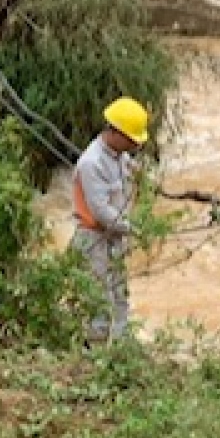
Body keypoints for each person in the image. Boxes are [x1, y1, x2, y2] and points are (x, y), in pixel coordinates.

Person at [71, 96, 150, 344]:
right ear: (115, 133)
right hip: (93, 240)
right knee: (99, 301)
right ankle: (94, 355)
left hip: (113, 239)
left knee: (120, 296)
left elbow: (127, 167)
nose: (134, 145)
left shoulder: (118, 156)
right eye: (131, 140)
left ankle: (122, 348)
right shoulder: (91, 163)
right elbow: (101, 211)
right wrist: (134, 229)